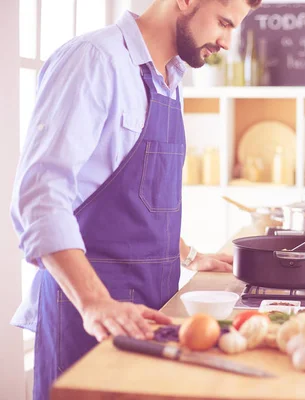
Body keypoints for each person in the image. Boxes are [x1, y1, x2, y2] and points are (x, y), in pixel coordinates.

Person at [10, 0, 261, 399]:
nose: (227, 42)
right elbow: (39, 196)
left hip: (152, 310)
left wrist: (188, 254)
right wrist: (95, 303)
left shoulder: (171, 78)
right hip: (89, 316)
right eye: (223, 23)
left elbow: (135, 199)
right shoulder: (94, 61)